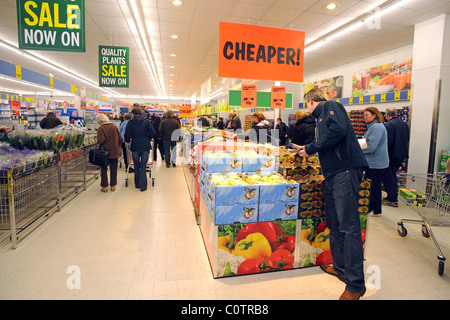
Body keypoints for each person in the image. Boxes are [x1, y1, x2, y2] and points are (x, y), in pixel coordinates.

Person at [298, 88, 368, 300]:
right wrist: (310, 149)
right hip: (332, 174)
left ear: (310, 101)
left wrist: (311, 148)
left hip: (344, 171)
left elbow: (338, 131)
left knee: (349, 227)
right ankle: (341, 269)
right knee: (334, 223)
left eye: (306, 105)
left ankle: (355, 286)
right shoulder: (320, 120)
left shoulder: (331, 106)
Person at [362, 107, 389, 217]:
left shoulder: (377, 127)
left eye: (367, 115)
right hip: (372, 162)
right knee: (371, 186)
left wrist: (357, 149)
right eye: (364, 115)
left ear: (374, 115)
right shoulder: (373, 126)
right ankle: (372, 209)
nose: (364, 117)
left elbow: (371, 147)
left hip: (376, 163)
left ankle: (376, 210)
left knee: (374, 187)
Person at [382, 107, 410, 207]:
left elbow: (388, 142)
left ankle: (392, 199)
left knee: (389, 177)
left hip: (391, 155)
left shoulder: (389, 125)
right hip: (402, 154)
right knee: (392, 175)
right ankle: (391, 196)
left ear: (386, 115)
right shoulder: (404, 124)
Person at [124, 107, 155, 192]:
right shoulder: (146, 121)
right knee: (143, 165)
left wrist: (128, 140)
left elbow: (127, 134)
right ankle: (143, 186)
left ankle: (137, 184)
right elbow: (153, 132)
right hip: (145, 145)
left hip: (135, 146)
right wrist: (148, 138)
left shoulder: (130, 122)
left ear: (133, 114)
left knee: (136, 165)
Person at [96, 113, 123, 193]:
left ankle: (104, 186)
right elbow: (120, 139)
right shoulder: (114, 127)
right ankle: (113, 185)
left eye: (98, 121)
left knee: (104, 169)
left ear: (101, 121)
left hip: (104, 152)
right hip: (114, 151)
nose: (98, 123)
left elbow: (101, 140)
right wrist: (117, 147)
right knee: (114, 168)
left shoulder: (101, 128)